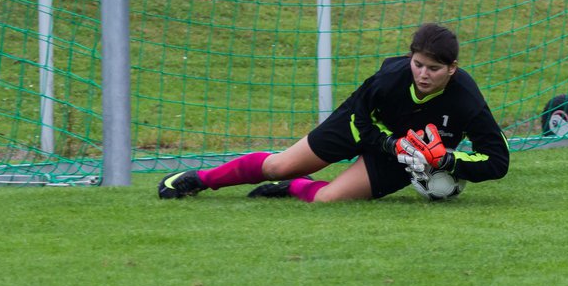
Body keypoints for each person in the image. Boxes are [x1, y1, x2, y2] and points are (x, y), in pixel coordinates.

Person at [158, 23, 509, 202]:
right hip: (361, 128)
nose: (423, 74)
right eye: (418, 64)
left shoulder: (466, 99)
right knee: (277, 164)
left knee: (328, 199)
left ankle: (292, 189)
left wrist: (447, 162)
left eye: (433, 68)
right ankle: (198, 180)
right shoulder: (390, 78)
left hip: (401, 158)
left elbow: (497, 161)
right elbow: (359, 115)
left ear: (452, 68)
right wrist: (390, 144)